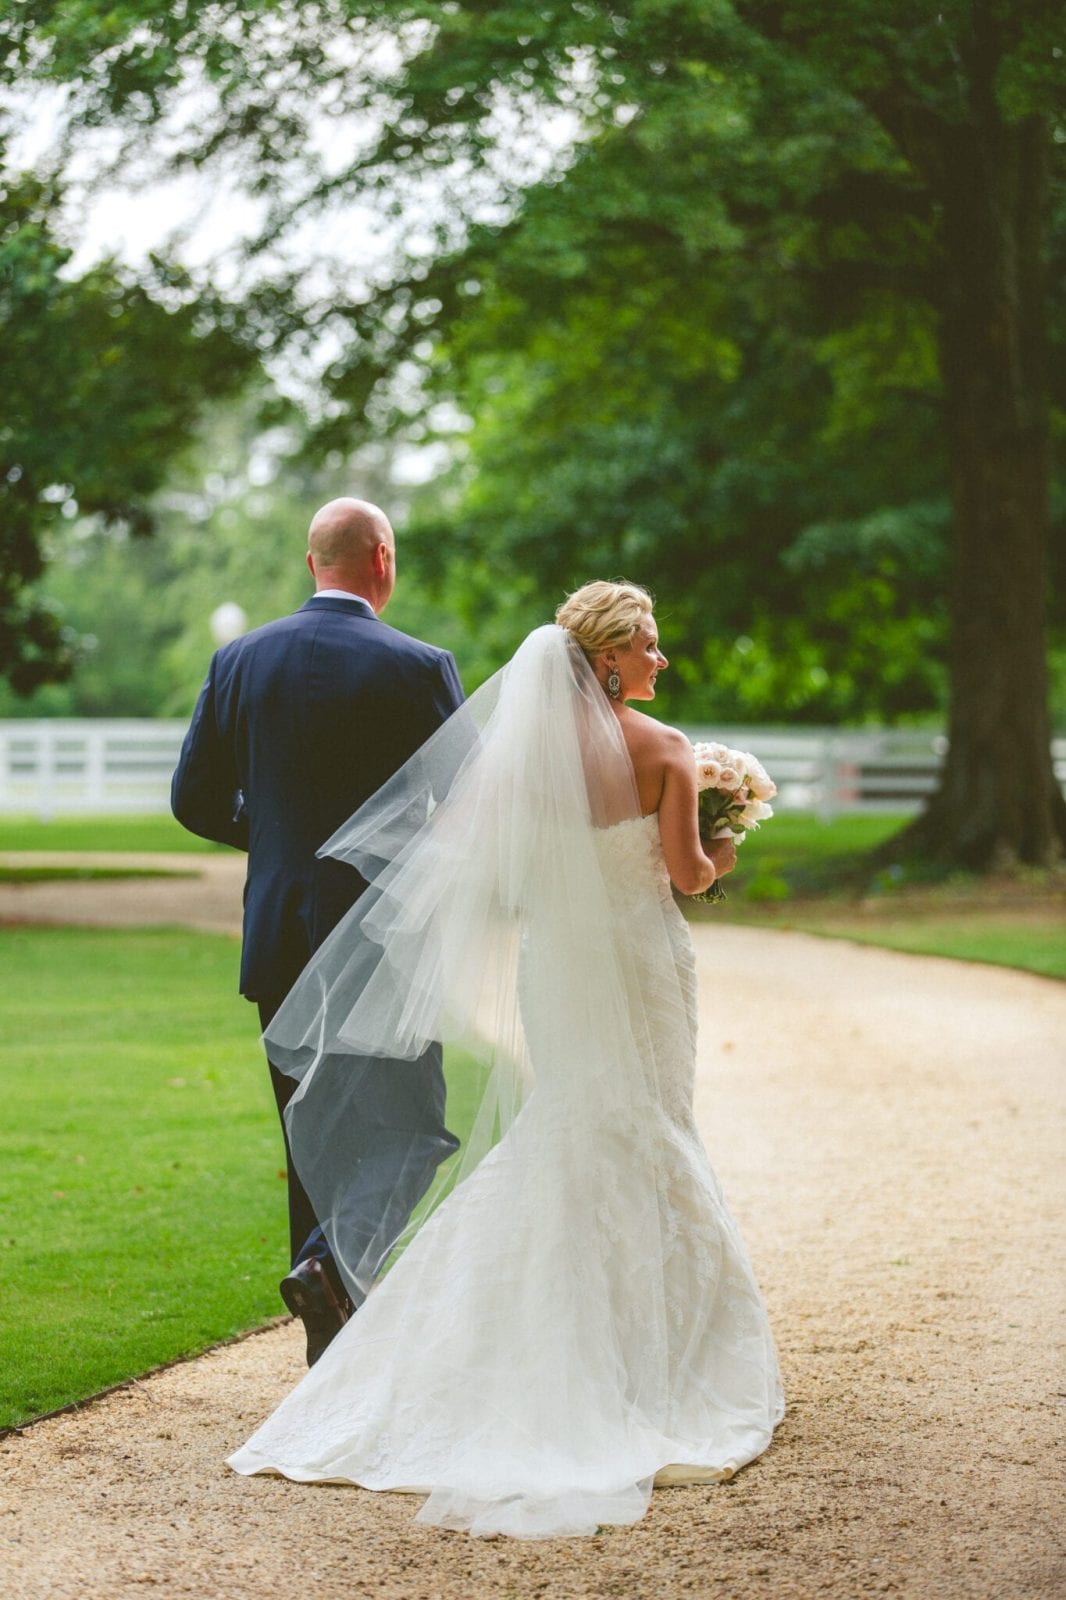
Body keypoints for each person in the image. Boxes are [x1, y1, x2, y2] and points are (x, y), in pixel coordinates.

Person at [228, 580, 784, 1538]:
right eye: (649, 646)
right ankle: (659, 1363)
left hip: (558, 965)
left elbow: (474, 866)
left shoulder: (518, 759)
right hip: (644, 962)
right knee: (651, 1120)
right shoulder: (667, 752)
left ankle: (495, 1350)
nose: (662, 660)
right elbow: (689, 875)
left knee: (569, 1119)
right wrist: (724, 842)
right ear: (607, 658)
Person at [170, 498, 465, 1364]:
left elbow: (192, 801)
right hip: (382, 938)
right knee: (416, 1126)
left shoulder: (241, 660)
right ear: (381, 559)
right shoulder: (419, 665)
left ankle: (325, 1331)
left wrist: (270, 839)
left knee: (308, 1134)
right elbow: (475, 800)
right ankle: (331, 1265)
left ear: (313, 564)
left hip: (278, 939)